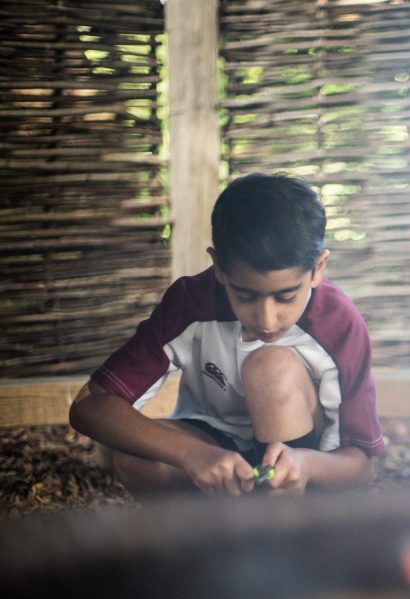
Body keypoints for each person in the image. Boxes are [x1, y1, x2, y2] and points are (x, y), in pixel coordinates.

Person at [69, 173, 385, 496]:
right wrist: (194, 454)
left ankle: (288, 528)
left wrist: (304, 464)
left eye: (286, 297)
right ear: (218, 267)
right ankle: (225, 534)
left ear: (318, 268)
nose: (266, 318)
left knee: (269, 369)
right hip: (217, 452)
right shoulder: (190, 304)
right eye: (245, 296)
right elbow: (89, 406)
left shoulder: (339, 324)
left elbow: (361, 465)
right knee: (137, 458)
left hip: (304, 475)